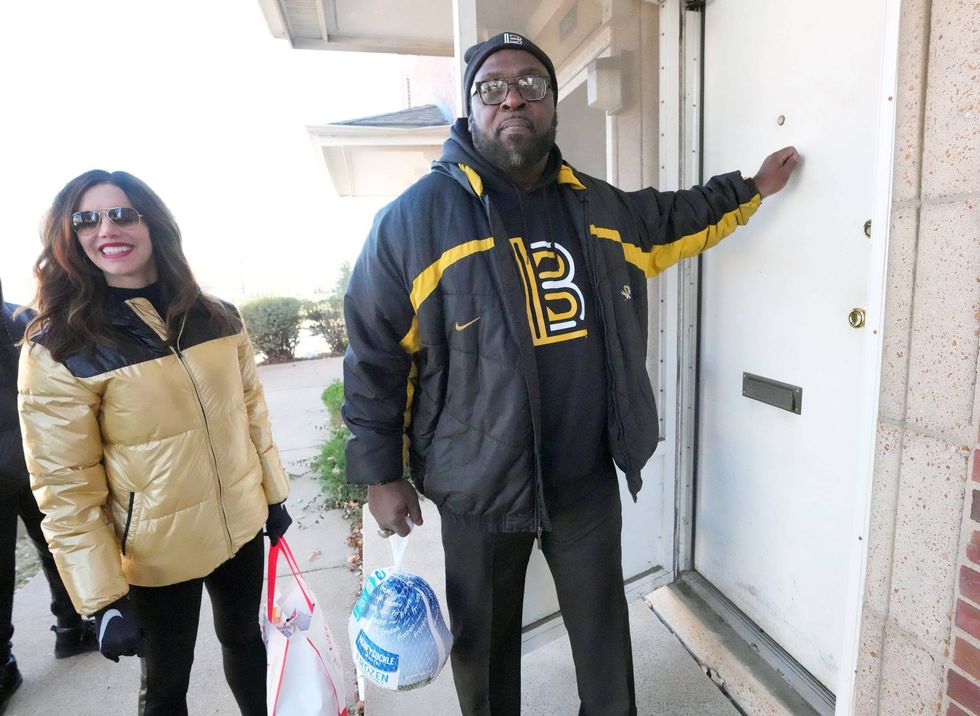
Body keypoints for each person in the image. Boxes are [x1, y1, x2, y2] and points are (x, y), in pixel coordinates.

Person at [343, 31, 800, 716]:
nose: (513, 98)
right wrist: (381, 473)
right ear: (470, 112)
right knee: (488, 652)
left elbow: (676, 214)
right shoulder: (412, 223)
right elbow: (374, 356)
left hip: (584, 480)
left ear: (554, 107)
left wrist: (751, 189)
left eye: (532, 83)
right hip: (478, 486)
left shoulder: (597, 206)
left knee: (601, 631)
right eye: (491, 88)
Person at [16, 170, 293, 716]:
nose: (106, 229)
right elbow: (64, 484)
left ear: (152, 223)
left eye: (123, 213)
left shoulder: (216, 316)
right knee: (168, 684)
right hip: (154, 553)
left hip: (239, 524)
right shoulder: (60, 346)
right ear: (68, 236)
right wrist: (101, 599)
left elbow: (251, 415)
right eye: (86, 219)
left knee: (246, 643)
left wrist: (273, 495)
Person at [0, 277, 99, 713]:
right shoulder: (22, 316)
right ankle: (70, 627)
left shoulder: (24, 318)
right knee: (52, 544)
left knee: (48, 545)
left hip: (29, 452)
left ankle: (8, 659)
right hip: (34, 451)